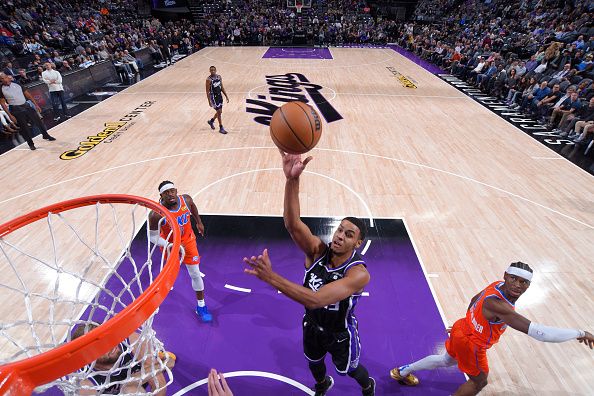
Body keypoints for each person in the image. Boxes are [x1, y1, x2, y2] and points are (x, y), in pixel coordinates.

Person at [243, 150, 375, 396]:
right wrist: (292, 180)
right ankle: (323, 384)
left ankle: (368, 386)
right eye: (340, 230)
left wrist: (271, 277)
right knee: (314, 363)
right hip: (312, 326)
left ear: (357, 244)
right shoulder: (317, 251)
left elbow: (316, 299)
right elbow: (293, 224)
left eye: (349, 235)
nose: (339, 236)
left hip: (340, 334)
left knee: (349, 370)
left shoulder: (358, 274)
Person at [390, 262, 594, 396]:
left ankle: (402, 371)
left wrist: (470, 322)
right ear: (506, 275)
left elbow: (473, 300)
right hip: (473, 345)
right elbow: (540, 333)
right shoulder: (501, 306)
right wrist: (580, 332)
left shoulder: (496, 285)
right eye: (514, 278)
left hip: (462, 328)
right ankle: (404, 372)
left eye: (523, 282)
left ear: (528, 286)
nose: (517, 285)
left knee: (446, 360)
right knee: (479, 382)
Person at [148, 181, 212, 323]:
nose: (170, 194)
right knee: (172, 272)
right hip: (170, 244)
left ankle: (201, 306)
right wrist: (168, 245)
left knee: (195, 273)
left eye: (172, 191)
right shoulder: (155, 214)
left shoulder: (186, 200)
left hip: (188, 241)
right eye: (166, 193)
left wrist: (198, 222)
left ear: (176, 191)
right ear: (161, 195)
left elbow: (193, 206)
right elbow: (152, 236)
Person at [73, 324, 176, 395]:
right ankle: (157, 360)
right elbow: (168, 364)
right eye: (100, 347)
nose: (110, 345)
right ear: (88, 359)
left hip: (137, 383)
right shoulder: (86, 384)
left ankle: (154, 358)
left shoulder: (133, 342)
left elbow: (159, 386)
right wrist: (163, 365)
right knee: (129, 390)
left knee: (130, 388)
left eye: (107, 338)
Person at [0, 72, 56, 150]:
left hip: (26, 105)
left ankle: (45, 135)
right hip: (15, 109)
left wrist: (36, 105)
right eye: (1, 79)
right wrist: (10, 115)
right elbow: (2, 104)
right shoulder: (1, 89)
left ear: (7, 77)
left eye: (4, 77)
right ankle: (30, 144)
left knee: (39, 121)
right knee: (24, 128)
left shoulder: (17, 83)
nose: (4, 79)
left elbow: (28, 95)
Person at [206, 66, 230, 134]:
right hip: (213, 97)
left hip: (219, 96)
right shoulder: (208, 79)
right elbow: (207, 91)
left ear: (216, 70)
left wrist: (226, 96)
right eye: (211, 70)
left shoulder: (219, 77)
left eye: (213, 70)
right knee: (219, 111)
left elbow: (222, 87)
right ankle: (221, 127)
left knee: (220, 112)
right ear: (209, 71)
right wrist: (209, 101)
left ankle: (211, 121)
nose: (212, 71)